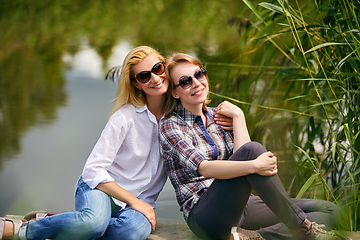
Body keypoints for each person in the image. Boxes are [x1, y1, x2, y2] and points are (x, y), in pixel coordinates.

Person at [159, 53, 340, 240]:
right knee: (253, 152)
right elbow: (205, 168)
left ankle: (252, 237)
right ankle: (303, 228)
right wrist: (255, 166)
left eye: (199, 74)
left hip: (242, 205)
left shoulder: (219, 115)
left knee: (329, 210)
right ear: (175, 92)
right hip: (206, 215)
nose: (196, 83)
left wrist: (238, 116)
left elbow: (241, 155)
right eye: (186, 81)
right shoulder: (170, 125)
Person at [0, 46, 171, 240]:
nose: (155, 78)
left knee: (130, 232)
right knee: (93, 222)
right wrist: (134, 201)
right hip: (101, 188)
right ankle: (22, 230)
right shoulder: (125, 118)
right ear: (136, 84)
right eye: (144, 76)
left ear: (166, 67)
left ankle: (63, 222)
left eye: (158, 69)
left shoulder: (179, 118)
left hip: (141, 203)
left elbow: (202, 111)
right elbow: (93, 170)